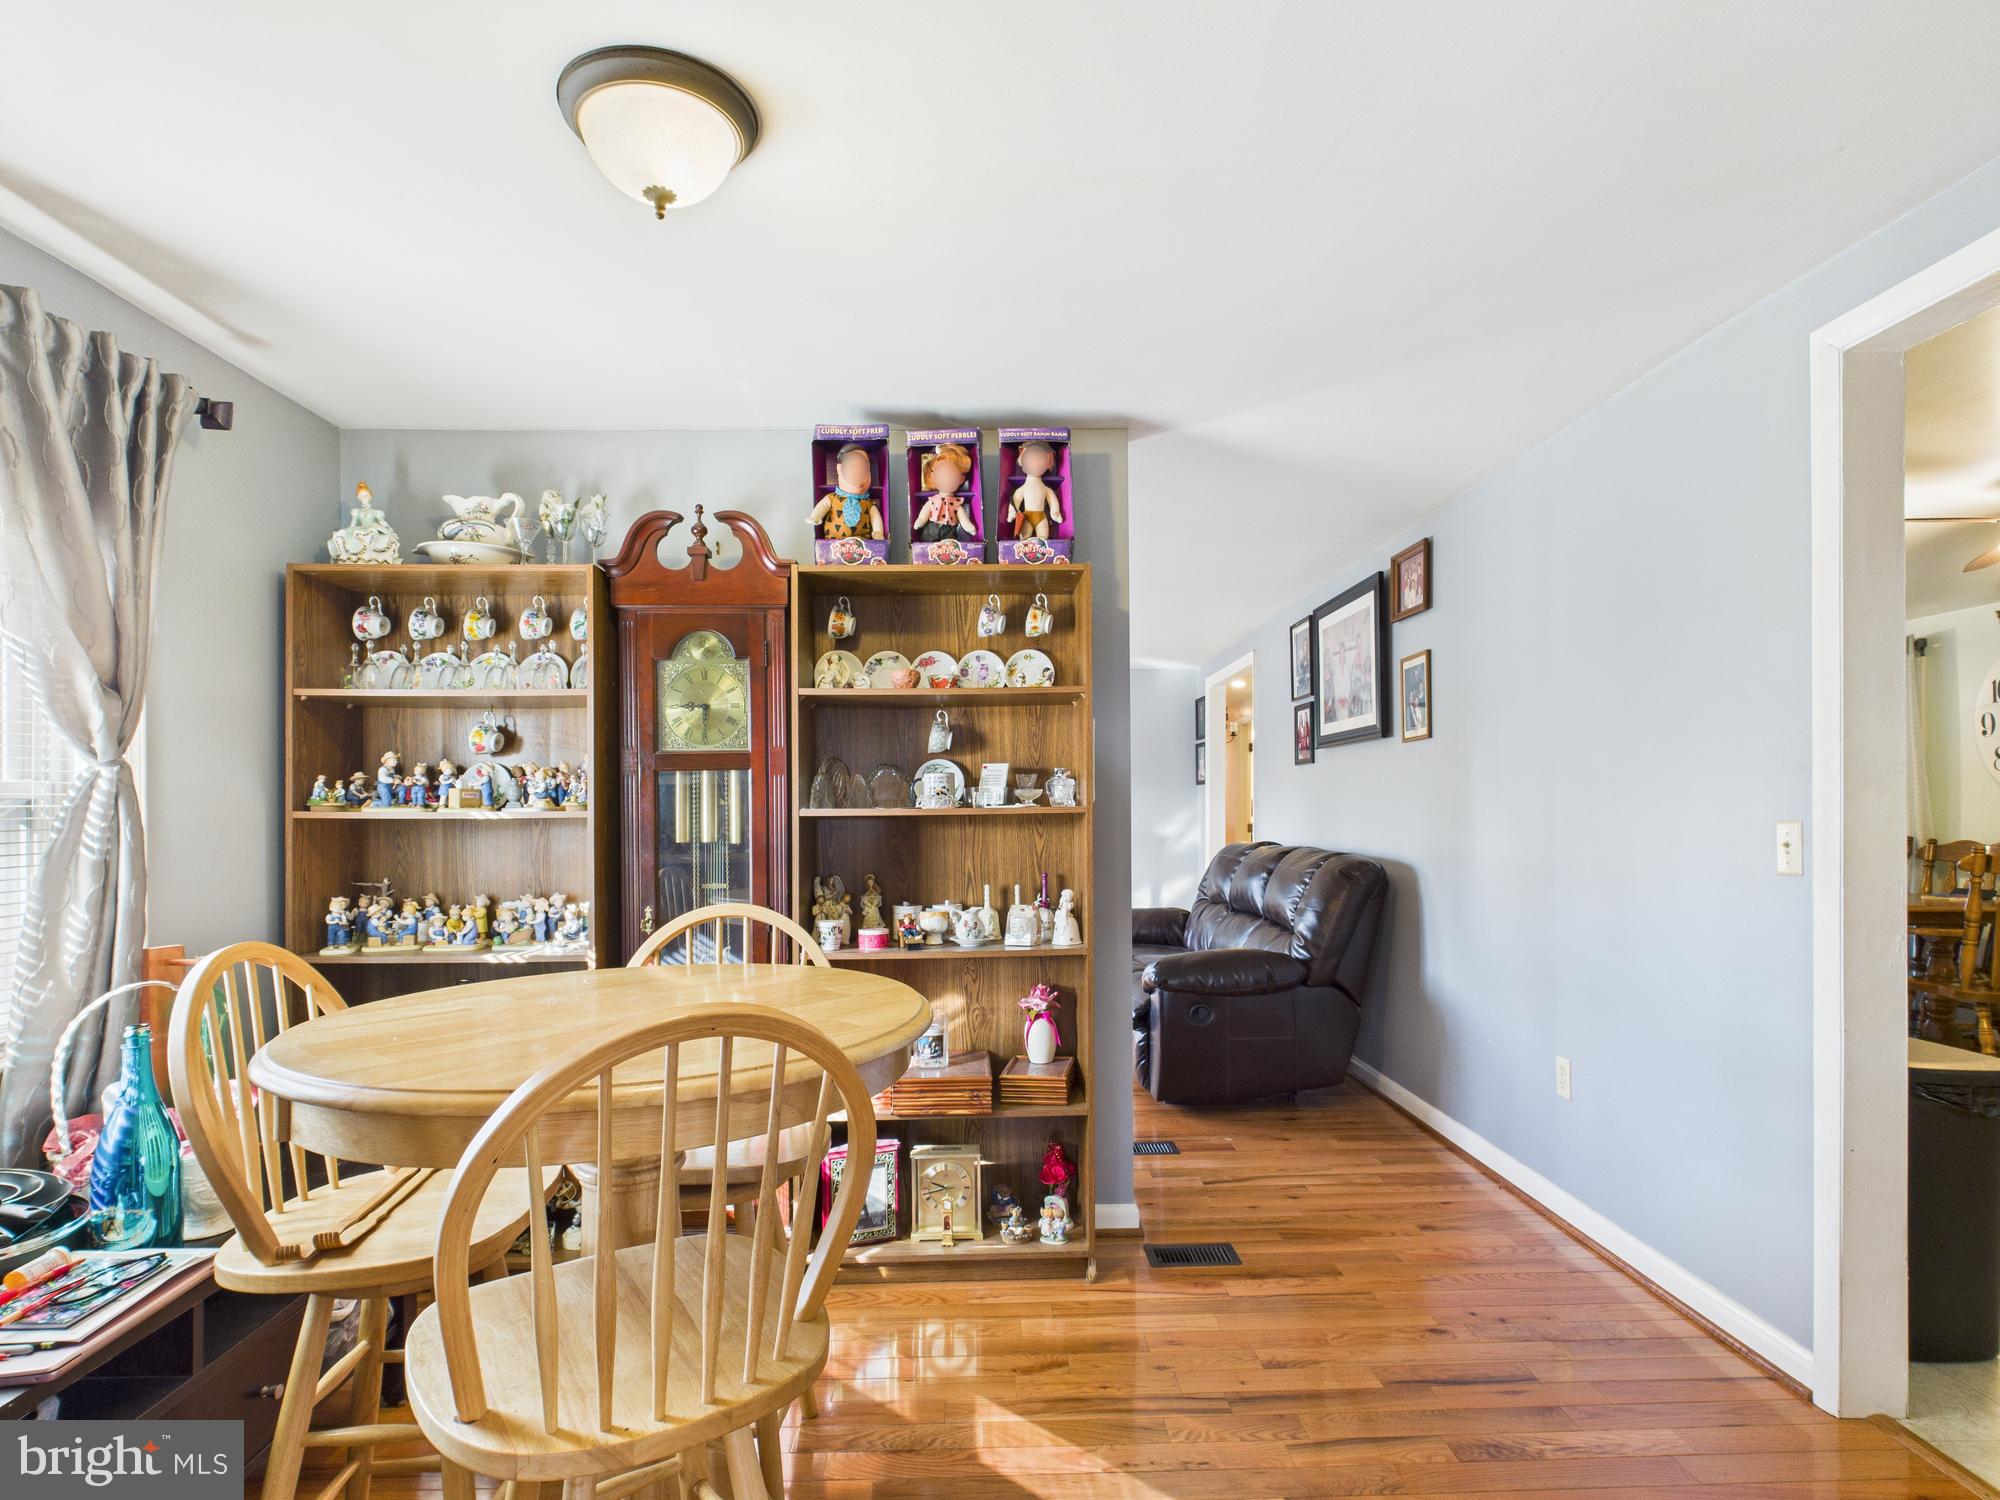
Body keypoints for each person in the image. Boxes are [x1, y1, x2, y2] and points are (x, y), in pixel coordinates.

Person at [810, 444, 885, 541]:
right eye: (852, 465)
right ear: (839, 469)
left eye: (862, 466)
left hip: (863, 547)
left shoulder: (869, 504)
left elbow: (875, 519)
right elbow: (823, 505)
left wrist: (878, 532)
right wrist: (815, 516)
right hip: (833, 546)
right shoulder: (832, 498)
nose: (856, 470)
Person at [913, 443, 978, 543]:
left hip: (949, 529)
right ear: (933, 476)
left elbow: (963, 518)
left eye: (952, 475)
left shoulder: (956, 503)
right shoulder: (933, 500)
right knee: (927, 542)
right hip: (932, 526)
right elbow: (925, 511)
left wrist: (969, 527)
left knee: (949, 545)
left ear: (961, 479)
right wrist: (920, 520)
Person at [1007, 441, 1063, 540]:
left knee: (1043, 538)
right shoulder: (1024, 488)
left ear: (1048, 464)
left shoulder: (1046, 489)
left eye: (1040, 459)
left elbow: (1052, 499)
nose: (1035, 463)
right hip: (1026, 517)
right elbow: (1015, 499)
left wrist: (1055, 512)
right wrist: (1012, 512)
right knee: (1023, 538)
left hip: (1041, 516)